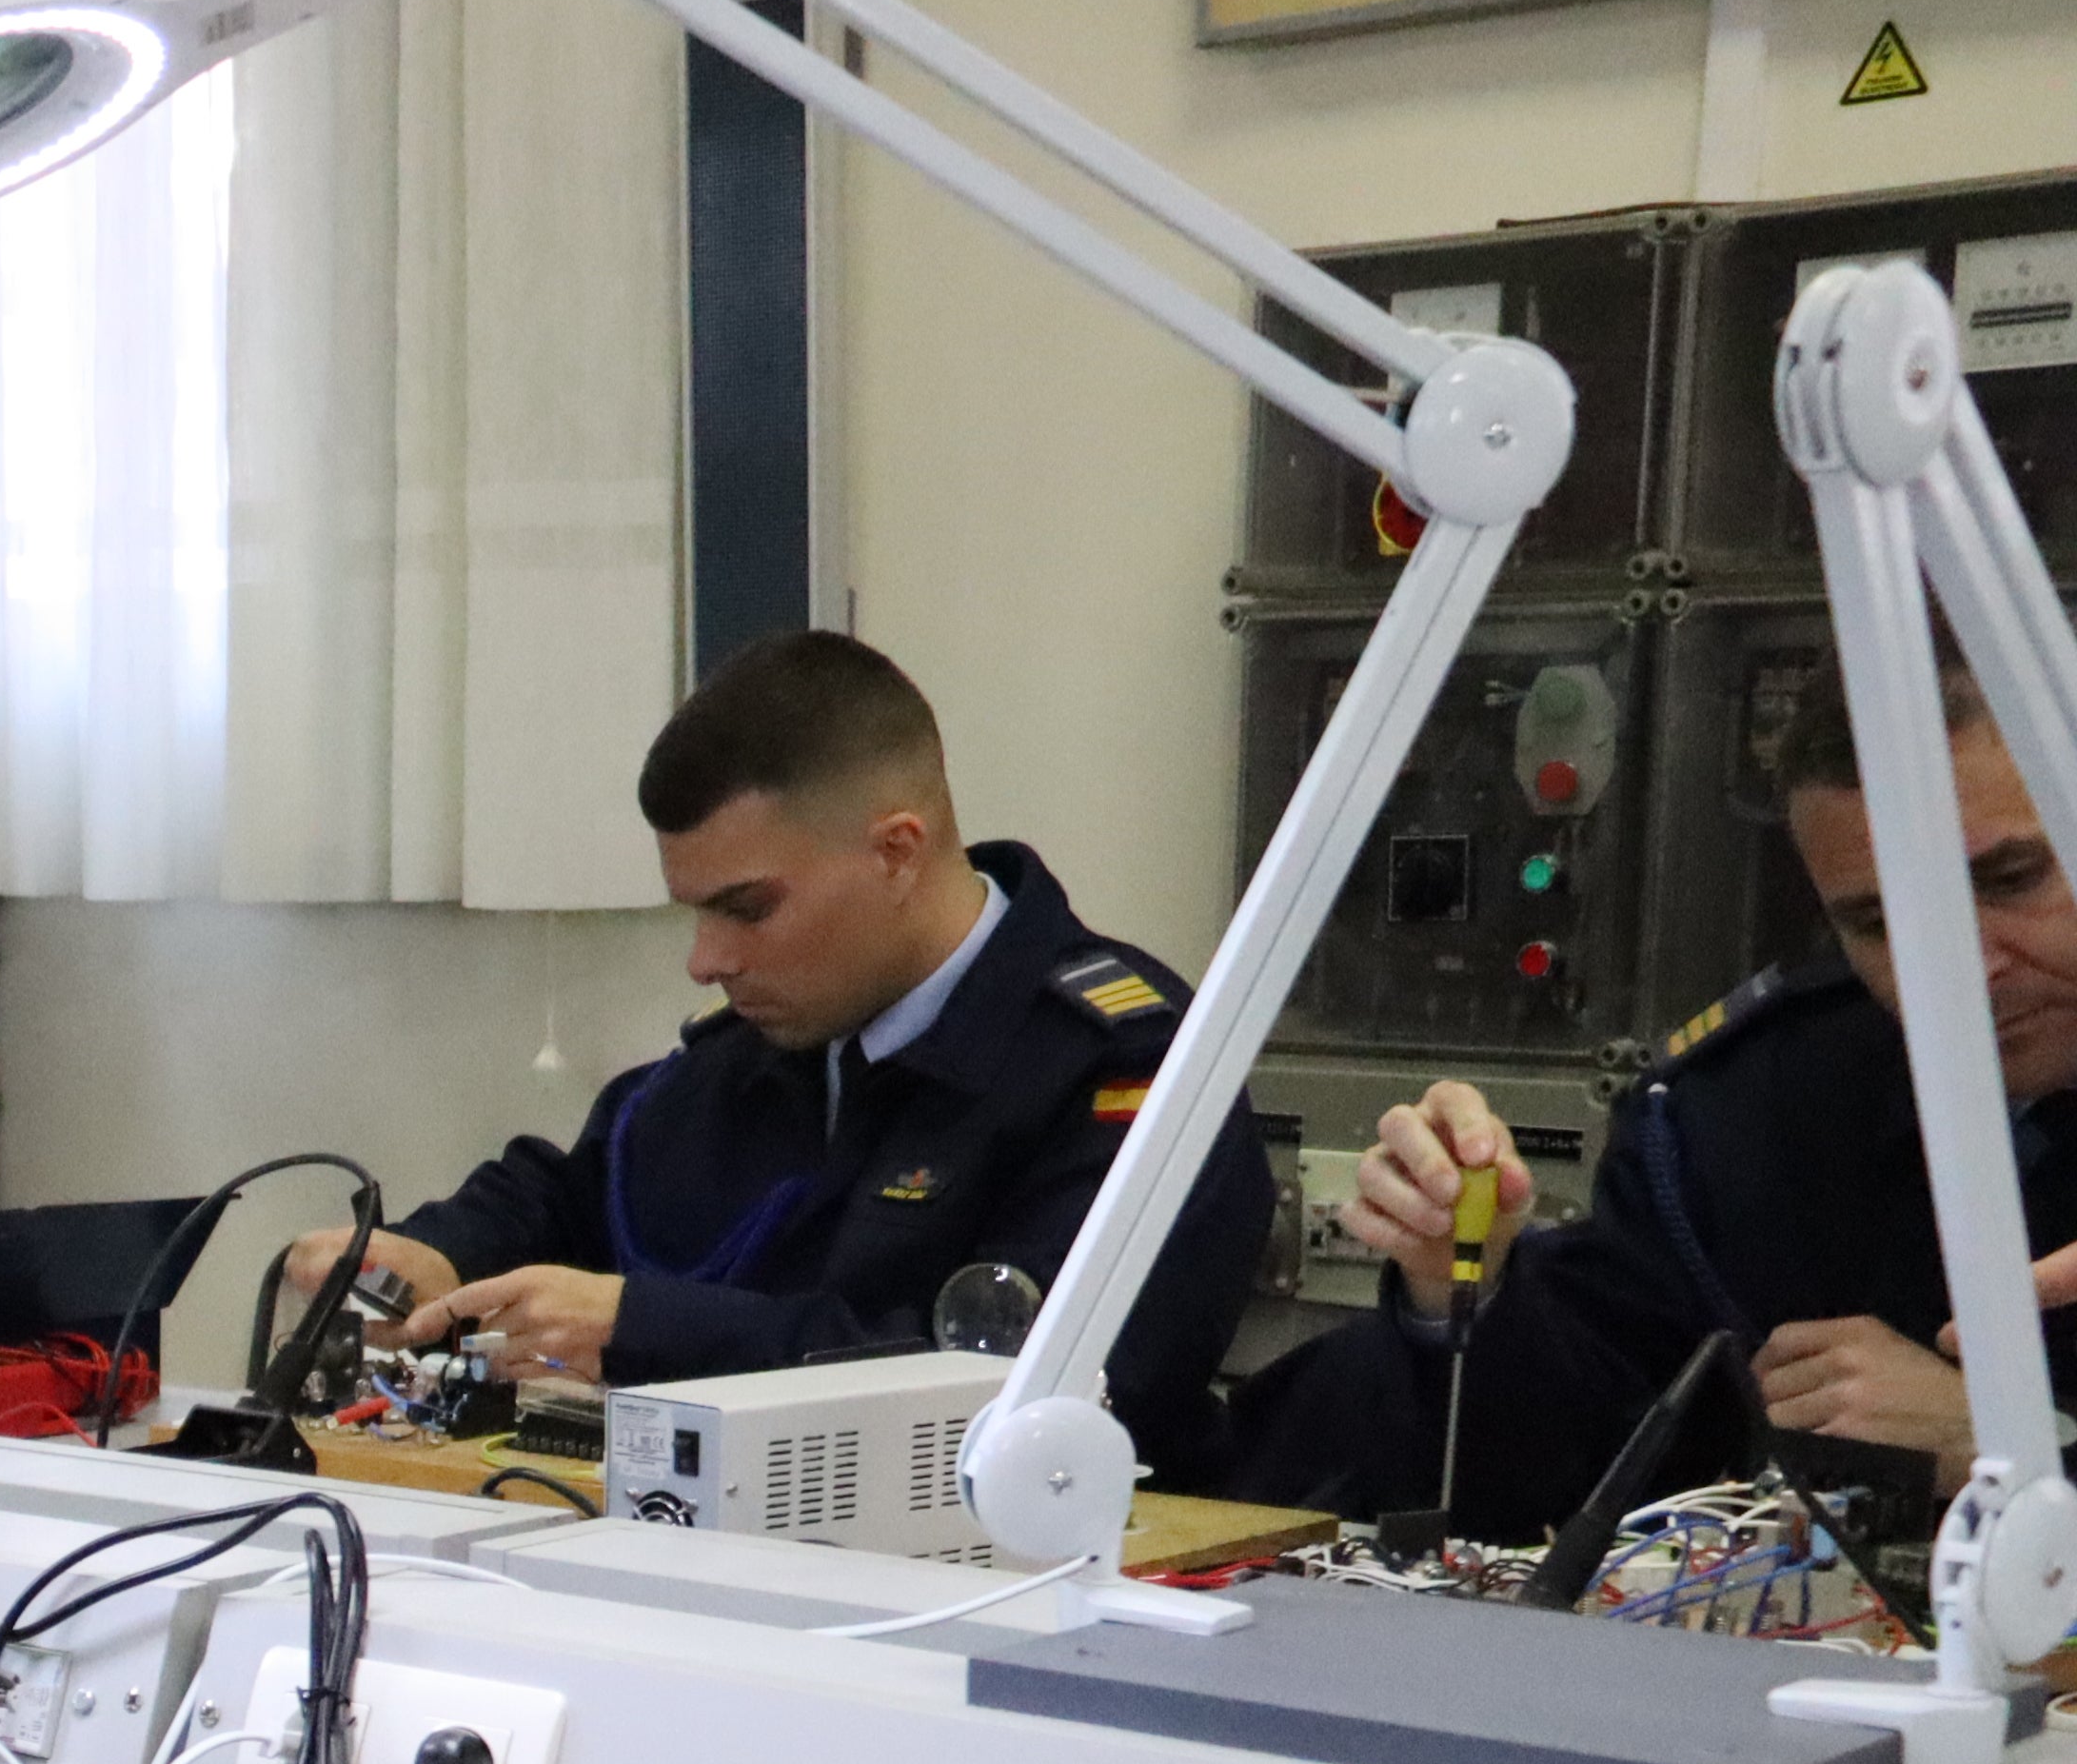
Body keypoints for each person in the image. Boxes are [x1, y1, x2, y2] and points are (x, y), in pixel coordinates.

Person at [270, 630, 1268, 1476]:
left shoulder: (1122, 1072)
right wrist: (439, 1253)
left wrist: (642, 1330)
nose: (707, 960)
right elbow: (584, 1189)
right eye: (698, 913)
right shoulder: (774, 1045)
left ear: (896, 850)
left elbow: (1029, 1394)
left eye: (747, 909)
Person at [1234, 661, 2077, 1540]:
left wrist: (2017, 1449)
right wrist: (1464, 1287)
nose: (1961, 970)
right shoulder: (1750, 1115)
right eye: (1880, 924)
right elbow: (1557, 1482)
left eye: (2012, 879)